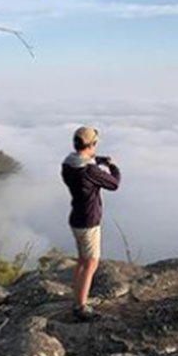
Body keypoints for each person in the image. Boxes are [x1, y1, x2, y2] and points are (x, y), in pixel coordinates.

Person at [61, 126, 120, 322]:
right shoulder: (89, 171)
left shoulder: (69, 164)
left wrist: (100, 160)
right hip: (89, 221)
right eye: (95, 143)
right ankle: (80, 306)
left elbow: (85, 160)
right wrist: (113, 166)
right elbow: (114, 183)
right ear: (92, 144)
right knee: (91, 263)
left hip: (76, 218)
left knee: (82, 260)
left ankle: (77, 296)